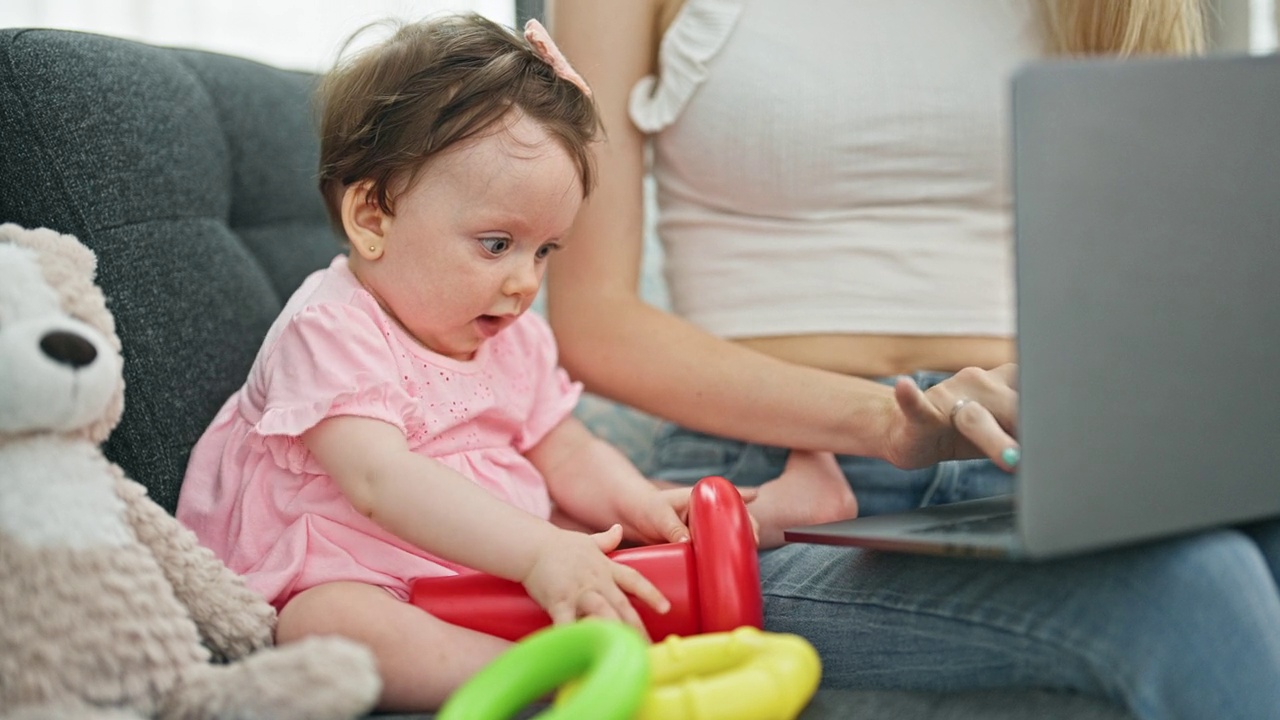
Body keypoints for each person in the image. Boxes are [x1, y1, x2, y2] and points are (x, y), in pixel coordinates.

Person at [545, 0, 1280, 717]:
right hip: (784, 488)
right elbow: (597, 321)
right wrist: (884, 423)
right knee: (1190, 591)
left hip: (1043, 457)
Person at [175, 14, 710, 711]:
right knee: (328, 624)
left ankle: (700, 570)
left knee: (602, 546)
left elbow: (568, 453)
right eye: (496, 244)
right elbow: (380, 480)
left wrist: (640, 504)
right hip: (351, 572)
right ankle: (539, 676)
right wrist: (537, 552)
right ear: (373, 219)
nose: (526, 282)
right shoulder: (330, 328)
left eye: (545, 250)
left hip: (484, 560)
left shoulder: (506, 334)